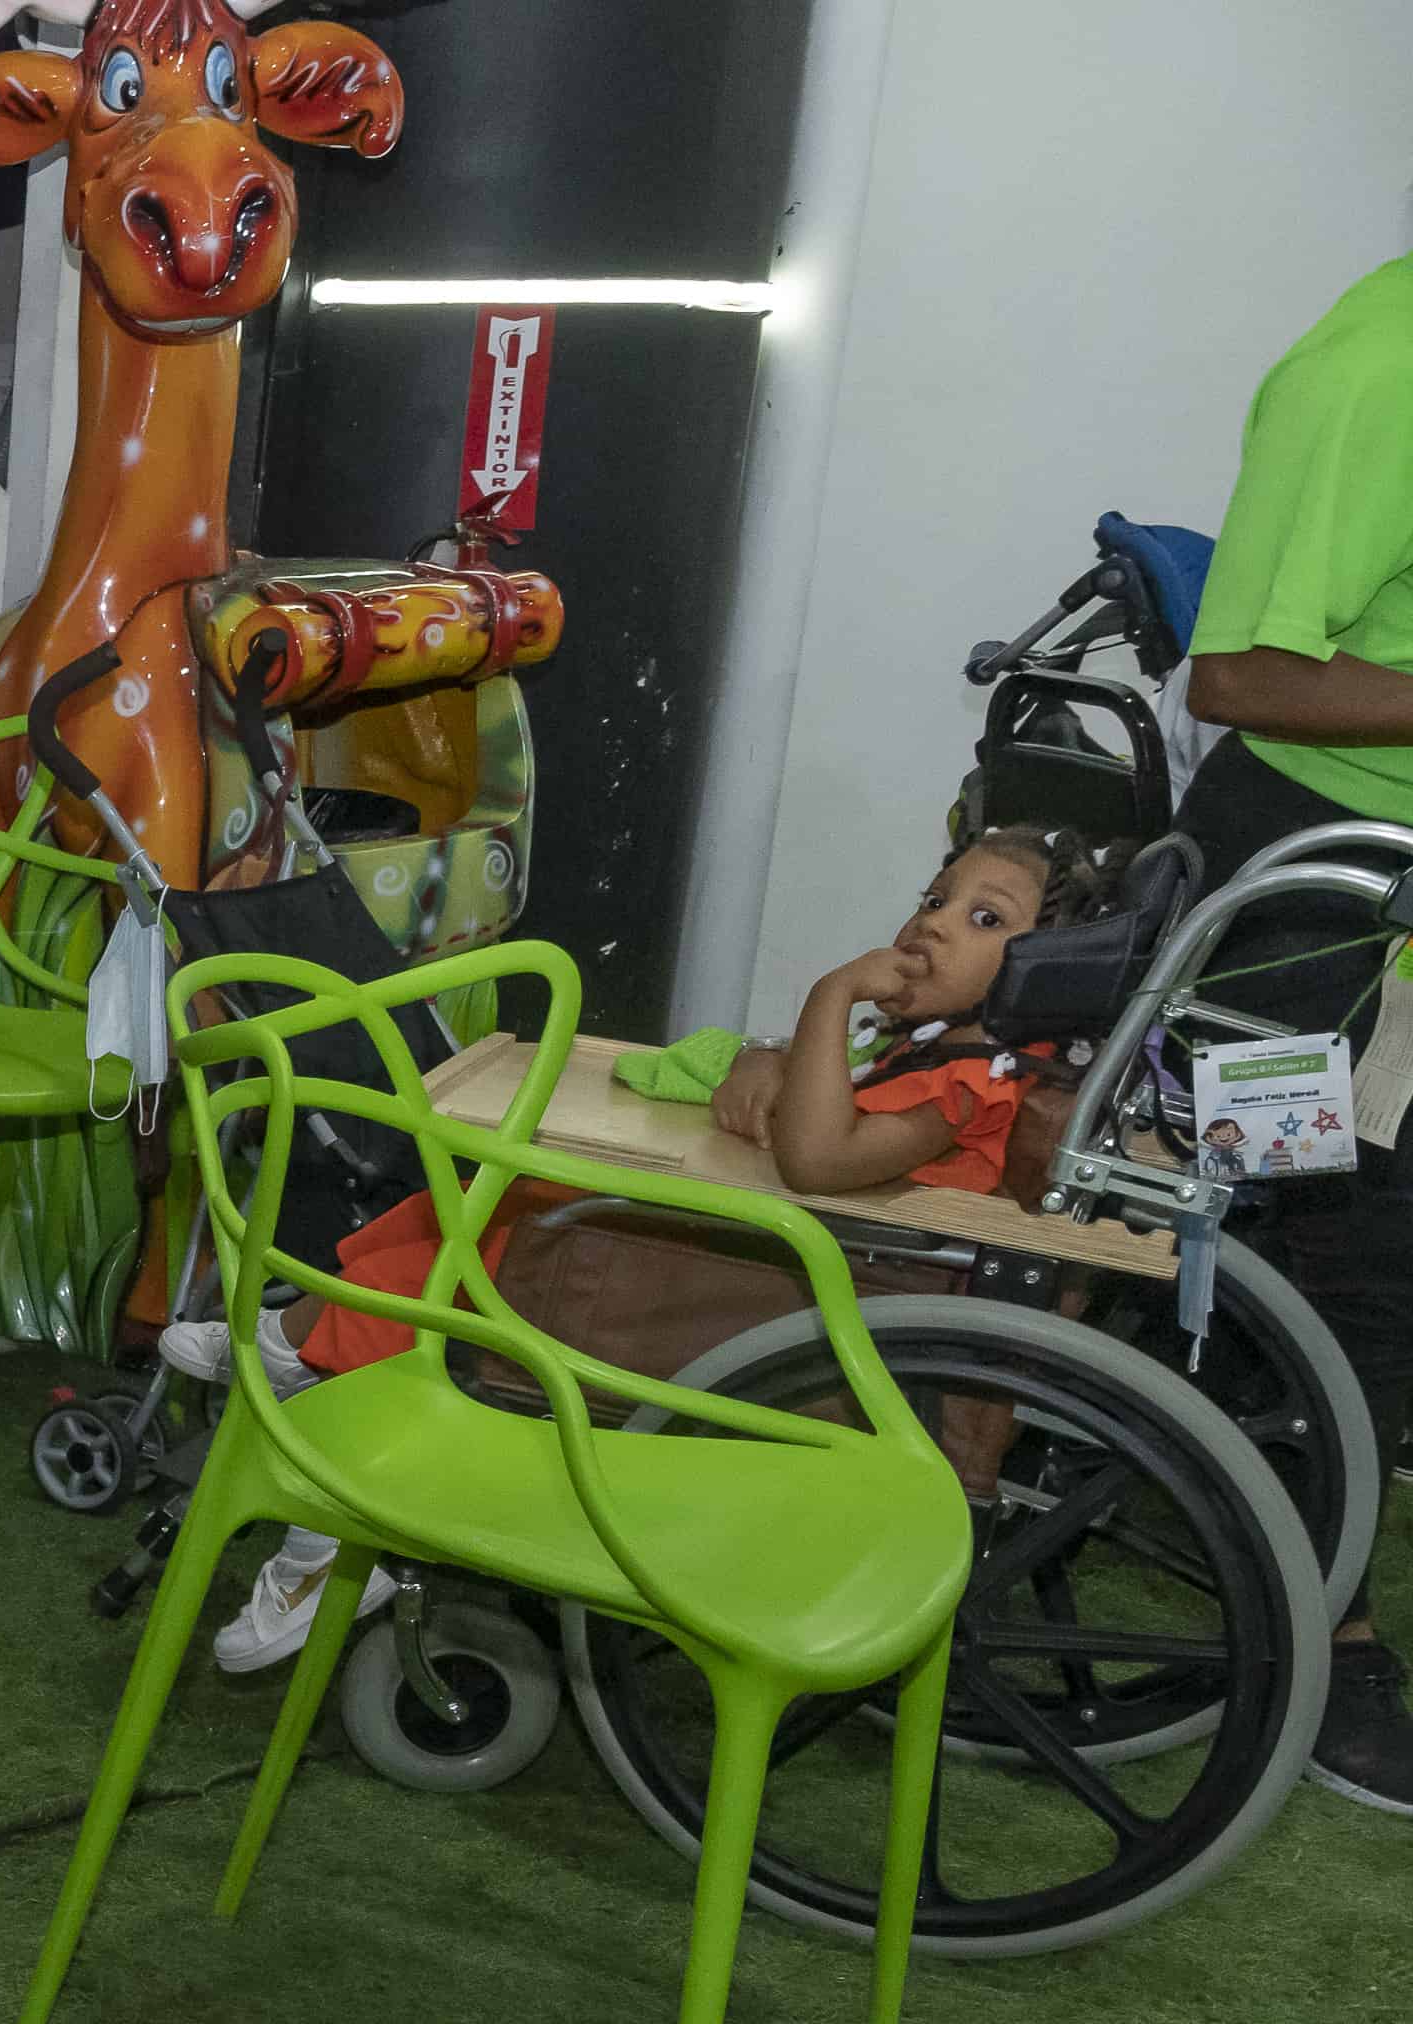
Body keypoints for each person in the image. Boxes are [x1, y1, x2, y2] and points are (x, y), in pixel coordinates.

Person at [170, 828, 1098, 1668]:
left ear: (1047, 971)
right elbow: (818, 1103)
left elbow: (818, 1155)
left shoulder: (978, 1081)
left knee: (513, 1227)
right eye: (936, 898)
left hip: (793, 1295)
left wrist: (835, 993)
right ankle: (305, 1333)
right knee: (485, 1193)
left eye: (983, 918)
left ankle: (323, 1437)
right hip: (788, 1262)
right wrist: (768, 1059)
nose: (933, 926)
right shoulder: (941, 1050)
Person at [1175, 253, 1413, 1813]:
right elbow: (1237, 673)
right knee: (1331, 1266)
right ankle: (1326, 1629)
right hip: (1299, 907)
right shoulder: (1372, 373)